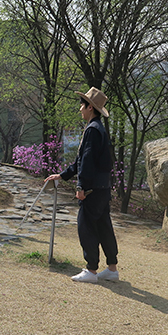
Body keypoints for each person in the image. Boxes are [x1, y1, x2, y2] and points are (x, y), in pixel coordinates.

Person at [46, 87, 119, 283]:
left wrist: (81, 187)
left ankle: (91, 270)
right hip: (103, 188)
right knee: (104, 226)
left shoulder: (92, 130)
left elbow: (86, 162)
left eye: (82, 105)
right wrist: (62, 175)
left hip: (92, 189)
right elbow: (81, 161)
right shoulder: (99, 129)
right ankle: (112, 268)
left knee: (86, 226)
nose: (80, 109)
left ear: (90, 107)